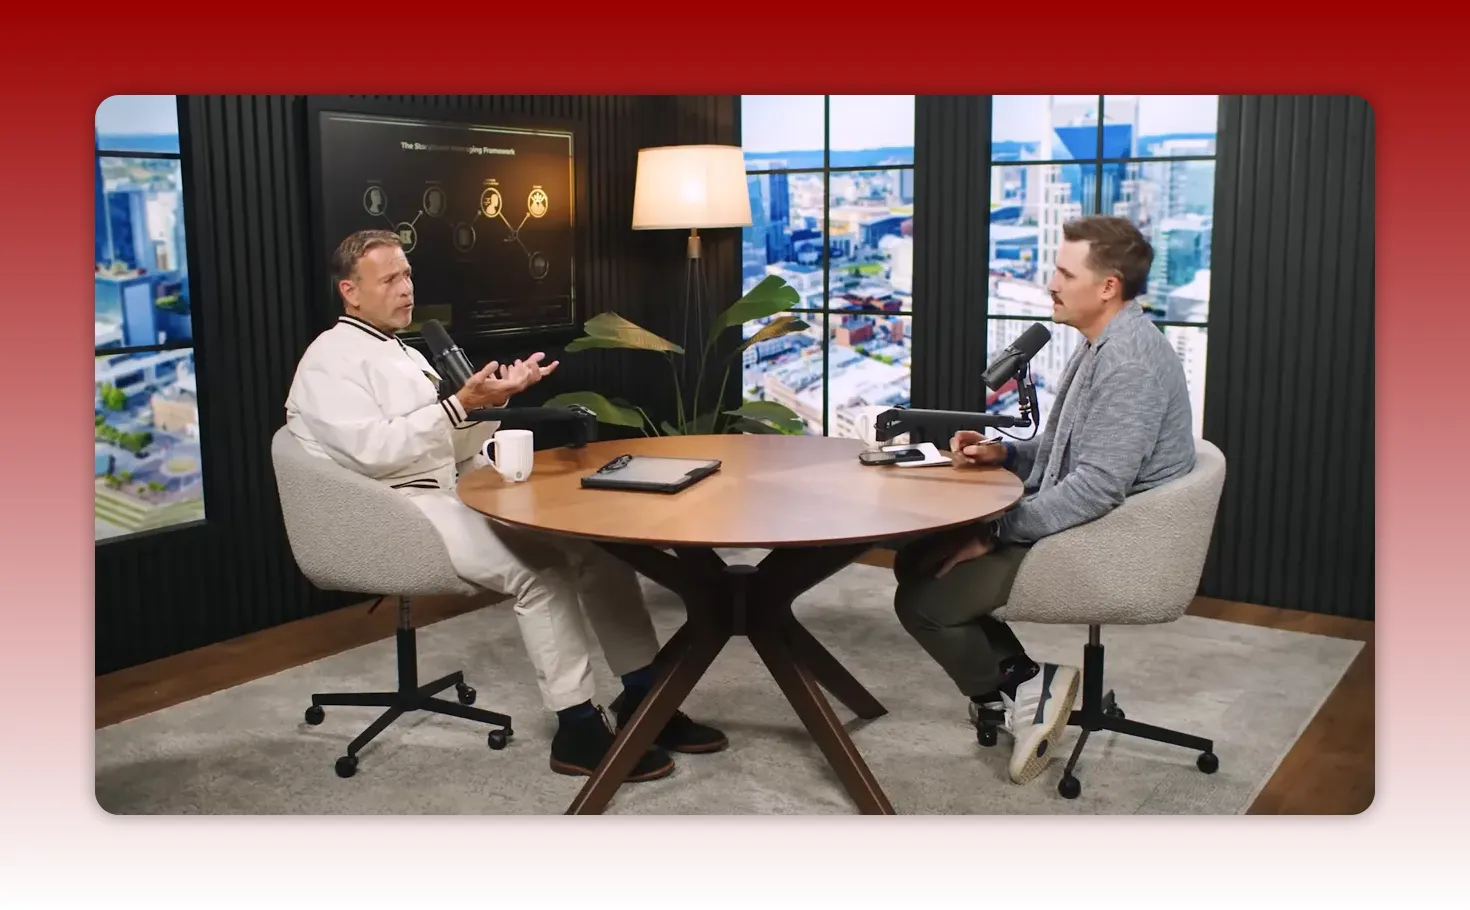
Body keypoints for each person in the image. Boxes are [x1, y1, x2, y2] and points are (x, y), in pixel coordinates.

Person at [284, 229, 727, 783]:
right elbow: (373, 454)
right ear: (350, 291)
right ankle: (576, 727)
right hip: (392, 511)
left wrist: (494, 400)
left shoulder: (399, 351)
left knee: (600, 551)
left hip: (442, 492)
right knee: (540, 571)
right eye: (390, 279)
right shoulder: (330, 359)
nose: (406, 289)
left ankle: (645, 699)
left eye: (408, 275)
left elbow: (454, 439)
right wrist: (456, 407)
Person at [892, 215, 1196, 785]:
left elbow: (1097, 487)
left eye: (1063, 271)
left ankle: (1021, 684)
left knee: (923, 602)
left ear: (1107, 286)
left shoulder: (1127, 363)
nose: (1050, 283)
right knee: (917, 559)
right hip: (1086, 520)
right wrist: (1005, 457)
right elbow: (1068, 454)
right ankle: (1022, 681)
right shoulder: (1103, 342)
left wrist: (996, 533)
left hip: (1107, 541)